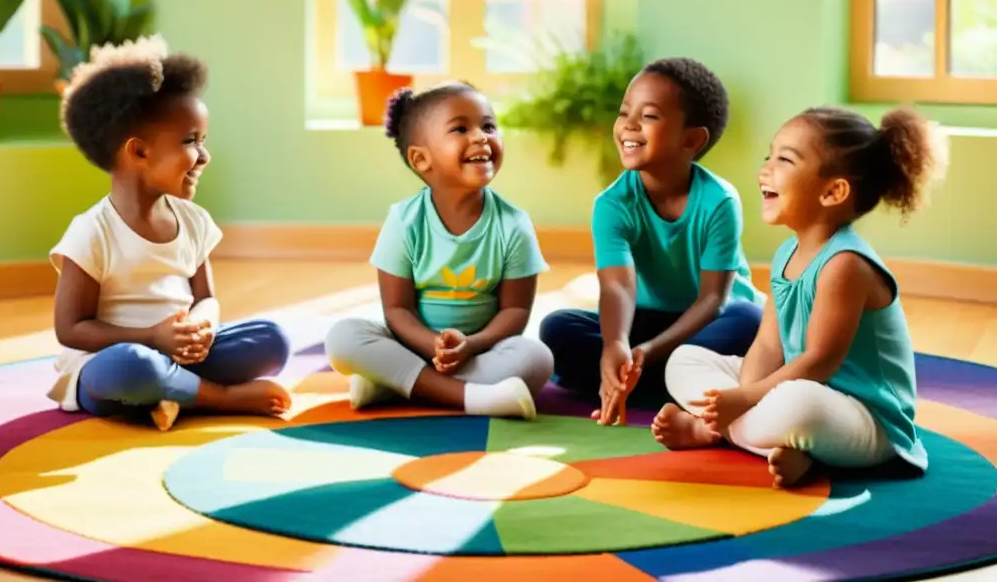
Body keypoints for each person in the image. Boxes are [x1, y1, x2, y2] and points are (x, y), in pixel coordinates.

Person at [654, 106, 947, 488]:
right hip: (792, 390)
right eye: (769, 156)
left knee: (797, 405)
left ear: (833, 191)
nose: (766, 170)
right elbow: (767, 344)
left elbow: (817, 364)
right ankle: (766, 441)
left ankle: (713, 431)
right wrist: (742, 395)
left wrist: (742, 402)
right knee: (683, 360)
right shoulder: (785, 255)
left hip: (864, 420)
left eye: (785, 160)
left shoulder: (845, 265)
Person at [49, 36, 292, 431]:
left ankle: (176, 393)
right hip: (116, 362)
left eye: (203, 140)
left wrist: (203, 326)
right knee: (132, 368)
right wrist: (153, 337)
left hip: (180, 354)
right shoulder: (91, 232)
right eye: (191, 141)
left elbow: (207, 298)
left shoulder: (193, 221)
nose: (205, 155)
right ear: (139, 153)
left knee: (273, 339)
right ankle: (218, 398)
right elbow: (71, 329)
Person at [539, 57, 764, 425]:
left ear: (691, 139)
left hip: (712, 320)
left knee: (753, 320)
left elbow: (712, 299)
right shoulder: (612, 205)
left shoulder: (719, 200)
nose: (628, 125)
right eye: (625, 112)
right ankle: (682, 383)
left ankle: (663, 378)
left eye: (649, 116)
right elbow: (617, 289)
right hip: (647, 320)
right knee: (557, 328)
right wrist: (617, 346)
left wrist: (649, 352)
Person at [325, 82, 553, 420]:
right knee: (342, 338)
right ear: (421, 159)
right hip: (413, 347)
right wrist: (432, 345)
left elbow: (516, 310)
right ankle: (474, 398)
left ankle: (392, 385)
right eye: (461, 128)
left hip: (479, 352)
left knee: (536, 358)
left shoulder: (513, 224)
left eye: (488, 126)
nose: (481, 137)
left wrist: (470, 346)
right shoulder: (404, 220)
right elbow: (397, 309)